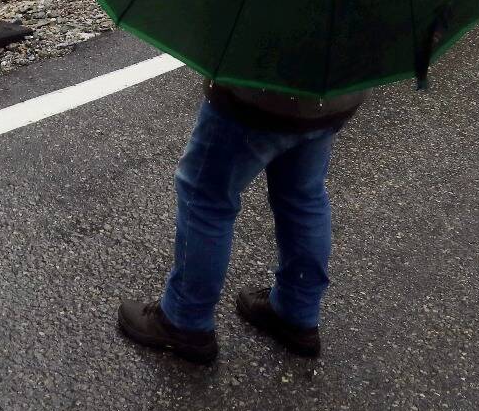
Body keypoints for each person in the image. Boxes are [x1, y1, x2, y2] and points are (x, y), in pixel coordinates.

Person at [117, 82, 363, 364]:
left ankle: (185, 318)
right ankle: (297, 311)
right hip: (336, 92)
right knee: (302, 195)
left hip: (262, 91)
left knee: (206, 194)